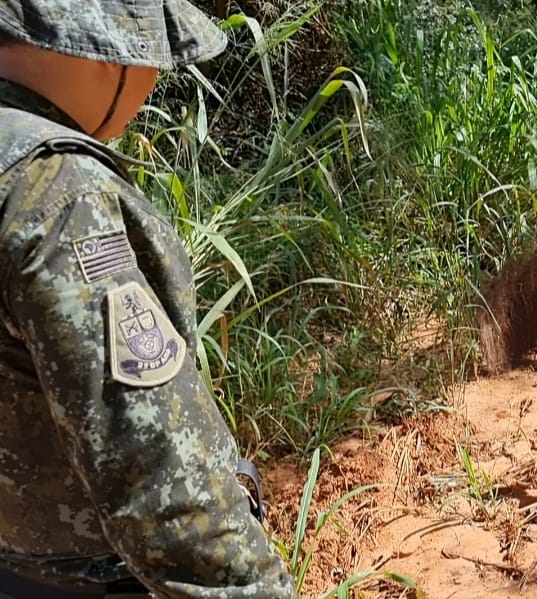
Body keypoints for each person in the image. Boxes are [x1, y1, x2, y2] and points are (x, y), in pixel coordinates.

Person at [0, 1, 298, 598]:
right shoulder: (57, 192)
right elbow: (168, 490)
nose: (154, 75)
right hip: (81, 576)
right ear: (100, 55)